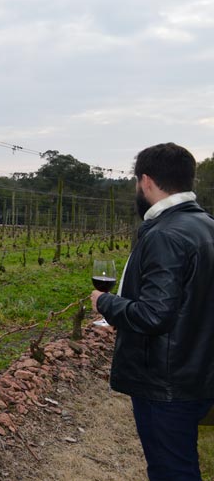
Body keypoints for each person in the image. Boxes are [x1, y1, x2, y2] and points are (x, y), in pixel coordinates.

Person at [91, 142, 214, 481]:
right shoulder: (206, 225)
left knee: (171, 470)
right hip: (197, 370)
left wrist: (105, 303)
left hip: (166, 381)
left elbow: (154, 315)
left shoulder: (166, 235)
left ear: (146, 181)